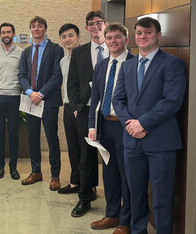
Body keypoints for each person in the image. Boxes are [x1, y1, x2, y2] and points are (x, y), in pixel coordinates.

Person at [113, 17, 186, 234]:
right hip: (132, 142)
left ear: (158, 36)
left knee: (162, 197)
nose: (143, 37)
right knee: (135, 194)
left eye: (148, 32)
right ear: (134, 37)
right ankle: (138, 231)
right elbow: (118, 100)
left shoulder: (172, 64)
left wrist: (142, 123)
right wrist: (130, 124)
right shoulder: (127, 66)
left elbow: (172, 101)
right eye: (139, 33)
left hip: (161, 143)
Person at [88, 23, 134, 234]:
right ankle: (112, 214)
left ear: (126, 39)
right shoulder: (101, 65)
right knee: (109, 173)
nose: (113, 41)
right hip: (105, 126)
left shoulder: (135, 63)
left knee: (128, 175)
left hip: (126, 127)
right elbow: (95, 98)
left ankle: (126, 221)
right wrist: (92, 126)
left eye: (118, 37)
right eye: (110, 38)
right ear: (105, 41)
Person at [67, 10, 109, 217]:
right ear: (86, 28)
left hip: (111, 112)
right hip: (86, 110)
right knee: (86, 157)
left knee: (112, 156)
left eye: (98, 23)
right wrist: (75, 108)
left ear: (105, 24)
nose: (95, 27)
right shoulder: (80, 52)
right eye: (91, 24)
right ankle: (85, 198)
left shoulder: (115, 47)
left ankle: (114, 200)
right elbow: (72, 83)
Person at [18, 16, 64, 191]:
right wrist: (30, 93)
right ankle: (36, 171)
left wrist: (41, 93)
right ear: (30, 29)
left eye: (40, 26)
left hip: (49, 101)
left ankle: (55, 176)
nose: (36, 28)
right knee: (33, 138)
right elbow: (21, 75)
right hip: (30, 100)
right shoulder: (26, 52)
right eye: (33, 26)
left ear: (45, 29)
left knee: (52, 138)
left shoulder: (55, 49)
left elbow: (57, 75)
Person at [0, 22, 23, 180]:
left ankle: (13, 167)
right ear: (0, 35)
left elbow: (23, 74)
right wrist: (0, 87)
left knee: (14, 133)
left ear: (13, 34)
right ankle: (0, 166)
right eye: (3, 32)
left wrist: (13, 88)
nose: (6, 35)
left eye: (9, 32)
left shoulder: (22, 53)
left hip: (15, 97)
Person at [57, 23, 81, 194]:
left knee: (85, 150)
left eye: (71, 35)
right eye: (64, 36)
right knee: (72, 147)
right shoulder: (63, 61)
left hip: (82, 108)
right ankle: (75, 182)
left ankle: (89, 186)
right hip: (67, 107)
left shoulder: (86, 58)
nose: (67, 39)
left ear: (78, 37)